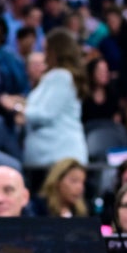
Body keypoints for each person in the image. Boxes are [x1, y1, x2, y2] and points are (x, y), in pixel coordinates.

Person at [21, 27, 88, 168]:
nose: (44, 56)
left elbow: (45, 114)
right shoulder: (56, 76)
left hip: (59, 157)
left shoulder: (61, 76)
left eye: (46, 50)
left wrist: (17, 109)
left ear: (56, 51)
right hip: (52, 157)